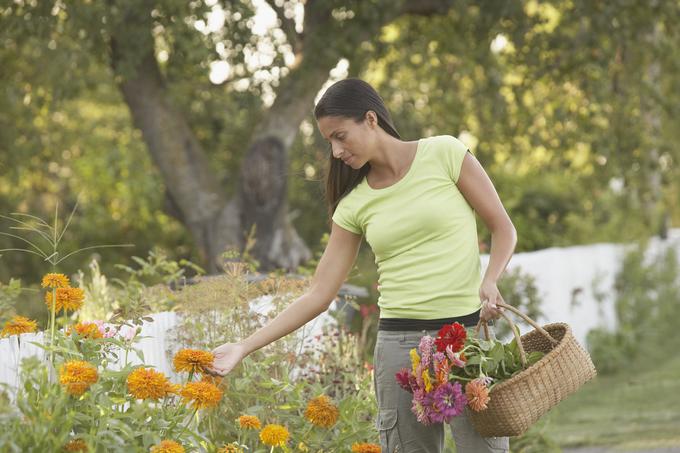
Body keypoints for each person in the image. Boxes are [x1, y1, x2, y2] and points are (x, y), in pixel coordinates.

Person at [206, 78, 517, 453]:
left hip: (467, 339)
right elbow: (319, 294)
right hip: (401, 347)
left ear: (371, 119)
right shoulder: (354, 205)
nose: (336, 151)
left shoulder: (445, 153)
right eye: (329, 142)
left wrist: (491, 280)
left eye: (340, 136)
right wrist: (243, 346)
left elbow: (503, 229)